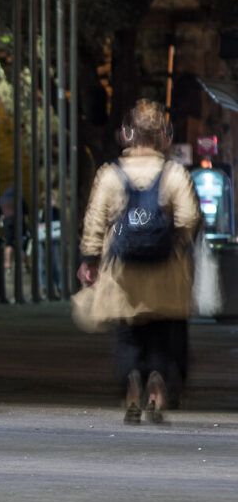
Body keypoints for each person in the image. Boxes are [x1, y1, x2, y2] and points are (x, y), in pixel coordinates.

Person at [74, 100, 199, 424]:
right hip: (165, 270)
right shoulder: (174, 174)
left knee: (129, 333)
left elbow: (95, 222)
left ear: (128, 133)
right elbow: (189, 219)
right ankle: (157, 384)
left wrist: (90, 258)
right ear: (162, 135)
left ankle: (132, 382)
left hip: (123, 272)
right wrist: (175, 242)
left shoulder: (110, 175)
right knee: (160, 331)